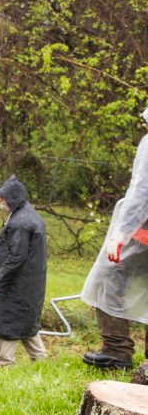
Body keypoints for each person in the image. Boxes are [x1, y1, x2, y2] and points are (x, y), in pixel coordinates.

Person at [82, 107, 148, 370]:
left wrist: (120, 234)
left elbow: (142, 191)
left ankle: (116, 350)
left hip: (142, 232)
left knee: (110, 274)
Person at [0, 175, 48, 366]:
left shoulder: (21, 223)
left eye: (3, 197)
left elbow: (16, 257)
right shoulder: (27, 215)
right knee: (26, 323)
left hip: (15, 286)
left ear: (13, 198)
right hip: (27, 286)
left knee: (4, 321)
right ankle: (42, 363)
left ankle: (4, 364)